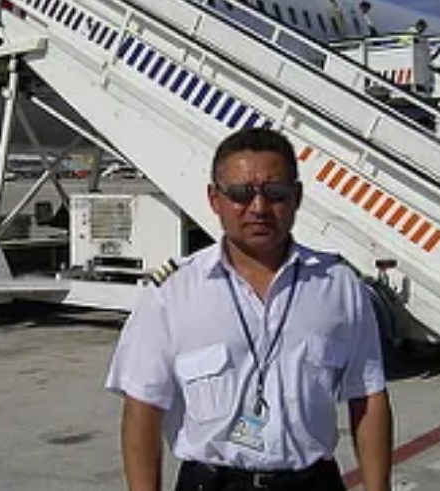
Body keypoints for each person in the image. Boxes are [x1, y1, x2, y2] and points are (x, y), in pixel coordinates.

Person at [106, 127, 393, 491]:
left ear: (296, 197)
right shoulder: (172, 292)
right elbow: (142, 408)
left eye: (275, 193)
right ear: (214, 199)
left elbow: (367, 396)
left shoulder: (338, 286)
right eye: (241, 194)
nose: (258, 208)